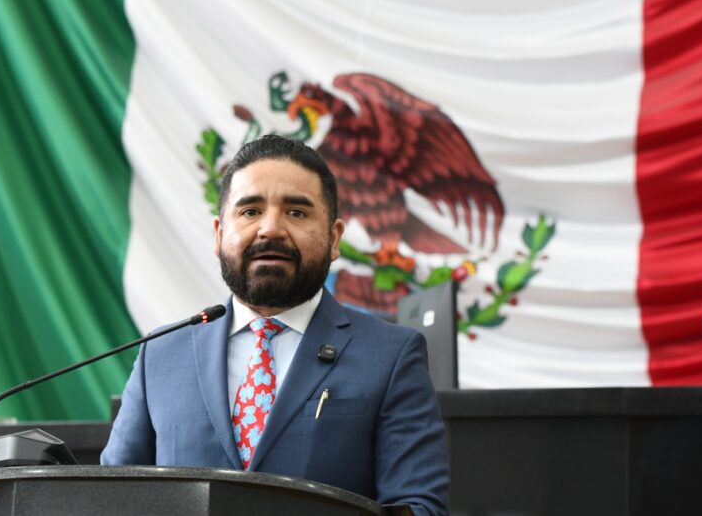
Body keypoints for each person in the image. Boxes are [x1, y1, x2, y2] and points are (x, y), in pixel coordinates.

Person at [101, 135, 449, 515]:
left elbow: (419, 507)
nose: (270, 229)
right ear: (219, 234)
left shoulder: (391, 355)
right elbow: (111, 498)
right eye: (250, 211)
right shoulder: (161, 353)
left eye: (296, 213)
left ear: (334, 239)